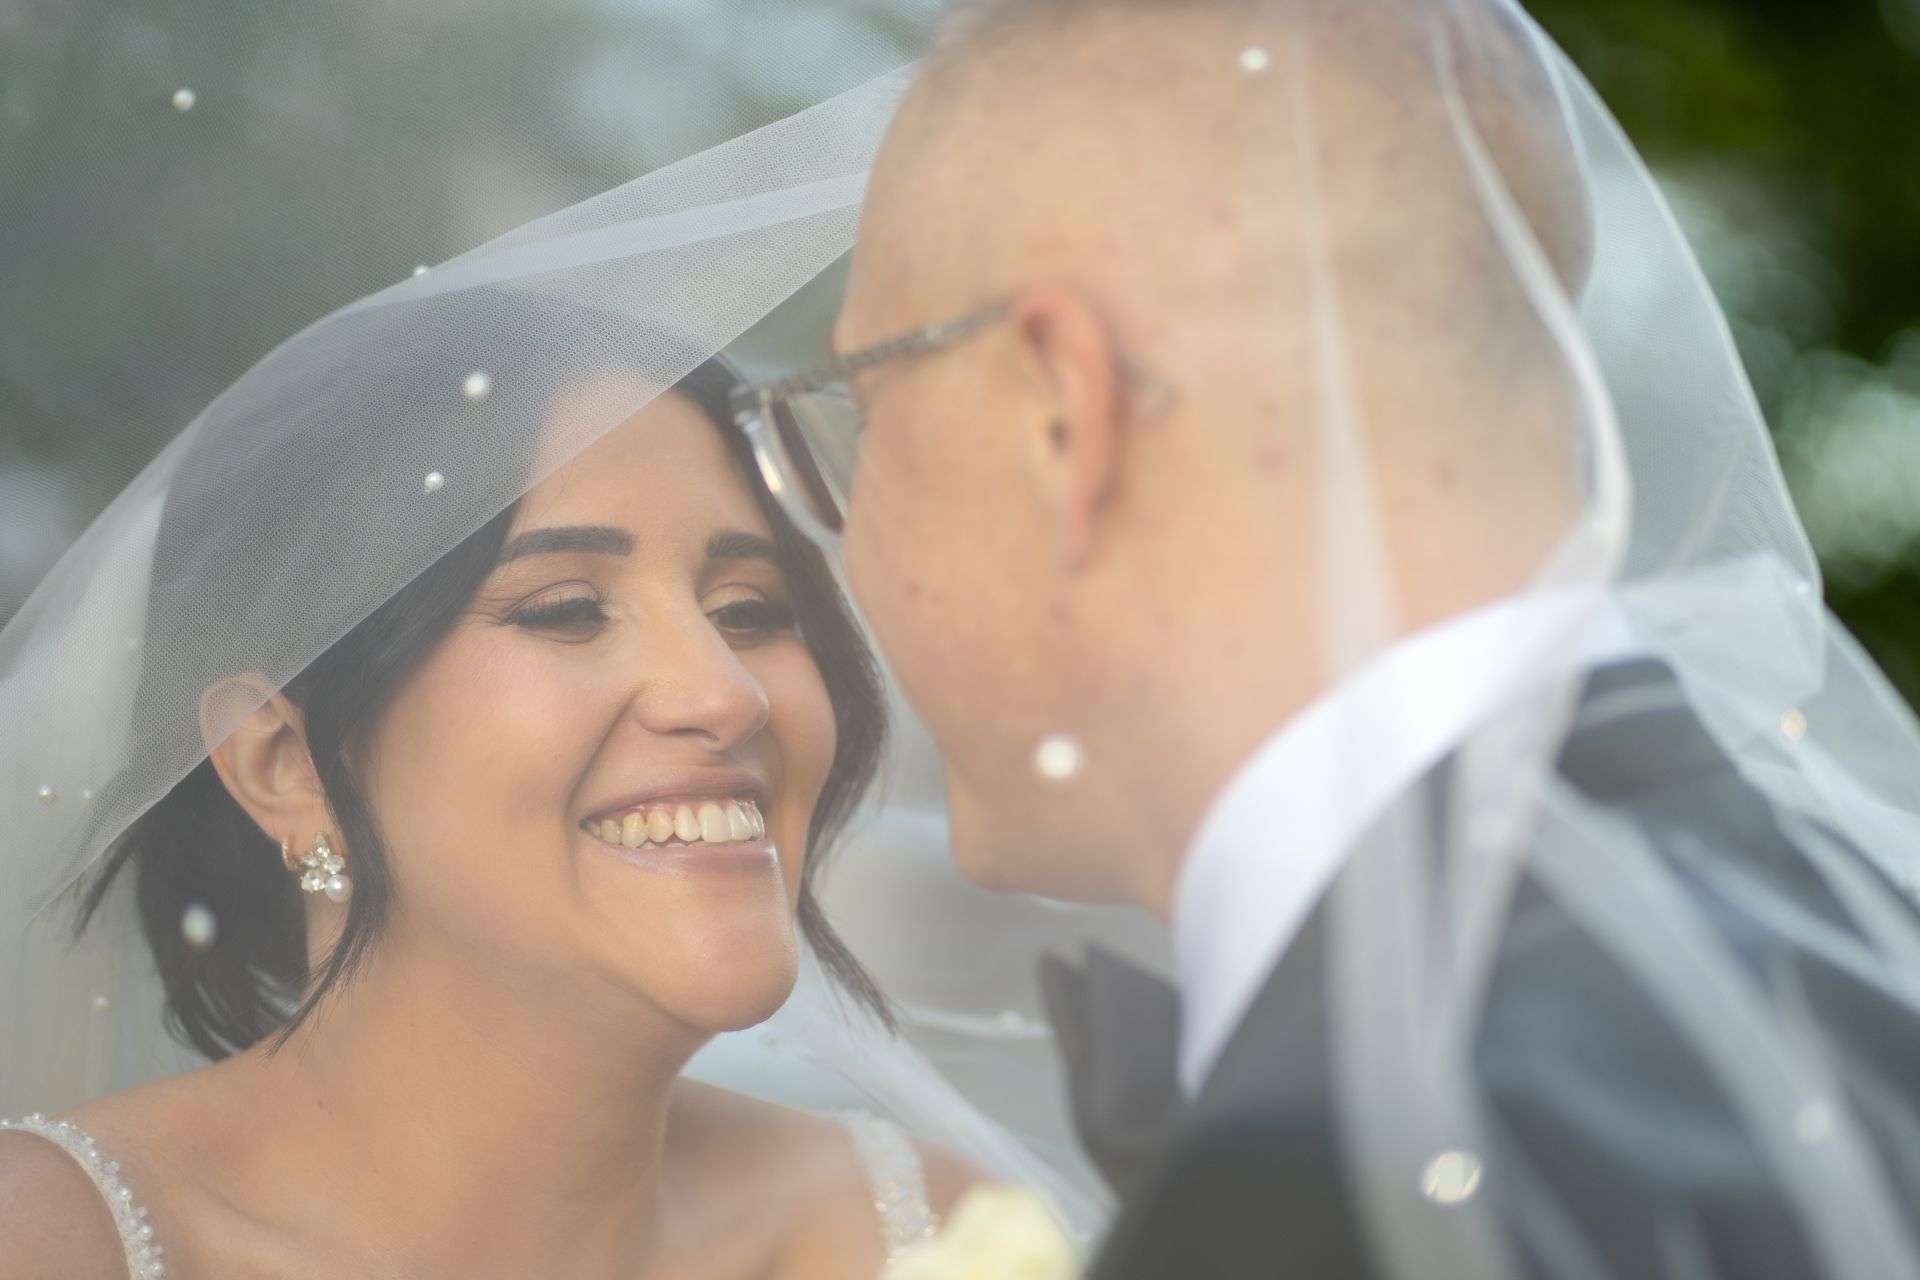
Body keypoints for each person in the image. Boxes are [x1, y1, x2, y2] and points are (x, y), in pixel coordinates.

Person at [729, 0, 1920, 1275]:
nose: (849, 536)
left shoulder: (1332, 1183)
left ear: (1061, 416)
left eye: (865, 408)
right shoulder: (1857, 926)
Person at [0, 291, 977, 1278]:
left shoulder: (930, 1237)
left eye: (750, 609)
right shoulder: (45, 1246)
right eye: (566, 609)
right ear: (283, 766)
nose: (727, 694)